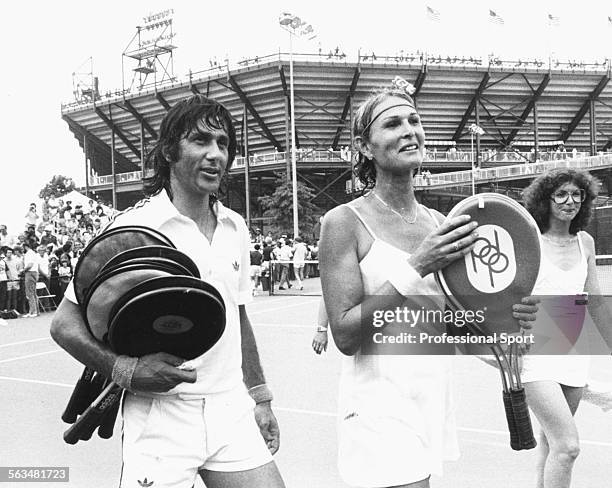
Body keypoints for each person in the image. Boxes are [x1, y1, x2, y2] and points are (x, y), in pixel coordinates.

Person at [50, 94, 285, 488]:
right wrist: (125, 370)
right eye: (201, 141)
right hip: (161, 415)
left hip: (231, 410)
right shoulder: (134, 227)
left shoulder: (235, 227)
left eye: (223, 144)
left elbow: (238, 317)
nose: (215, 155)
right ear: (169, 151)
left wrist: (260, 397)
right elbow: (63, 324)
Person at [319, 84, 538, 488]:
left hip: (431, 400)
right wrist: (418, 264)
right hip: (376, 407)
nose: (408, 130)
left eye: (414, 121)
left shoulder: (441, 223)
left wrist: (508, 319)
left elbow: (454, 328)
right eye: (392, 124)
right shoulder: (343, 222)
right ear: (365, 147)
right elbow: (346, 335)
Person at [521, 168, 612, 488]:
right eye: (561, 194)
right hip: (535, 353)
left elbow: (596, 301)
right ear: (546, 199)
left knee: (550, 442)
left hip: (574, 350)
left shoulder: (585, 242)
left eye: (577, 195)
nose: (570, 201)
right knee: (568, 446)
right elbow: (508, 294)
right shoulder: (530, 239)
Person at [22, 242, 39, 317]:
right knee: (33, 293)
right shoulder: (33, 253)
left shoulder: (29, 254)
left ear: (25, 247)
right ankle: (34, 311)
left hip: (30, 272)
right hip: (34, 272)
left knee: (30, 293)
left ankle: (33, 311)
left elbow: (30, 265)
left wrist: (22, 270)